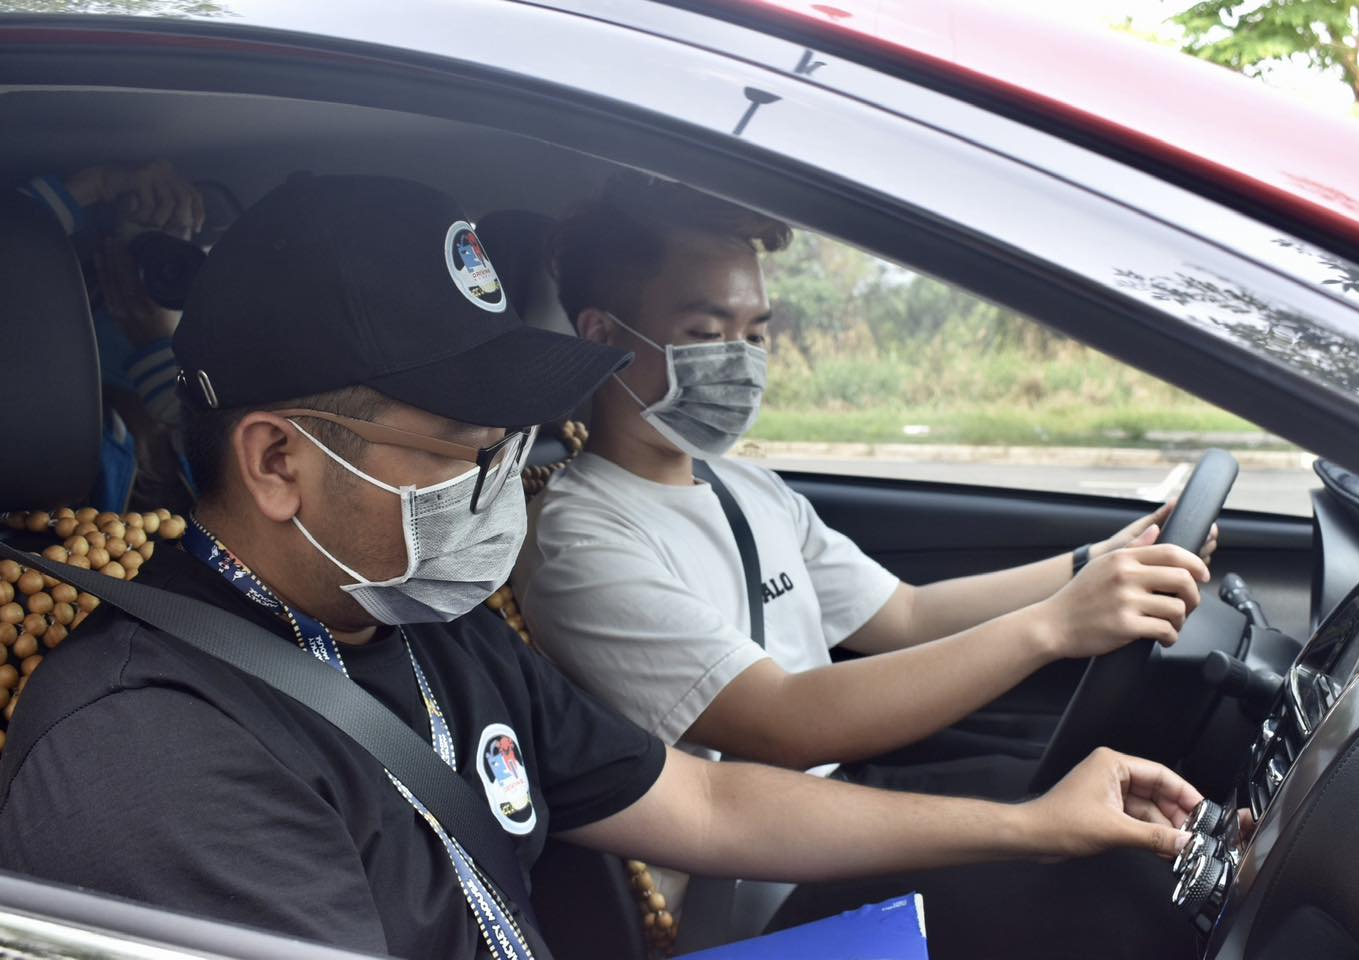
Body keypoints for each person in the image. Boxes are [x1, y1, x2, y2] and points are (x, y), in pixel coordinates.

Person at [0, 174, 1202, 960]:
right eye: (466, 451)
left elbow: (711, 801)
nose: (507, 486)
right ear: (278, 462)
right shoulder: (149, 751)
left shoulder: (432, 631)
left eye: (514, 444)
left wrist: (1032, 827)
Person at [511, 172, 1218, 942]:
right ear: (603, 336)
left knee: (1124, 819)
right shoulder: (580, 540)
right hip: (754, 885)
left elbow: (905, 614)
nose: (740, 361)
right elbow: (783, 722)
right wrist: (1055, 627)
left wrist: (1095, 563)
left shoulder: (746, 486)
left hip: (834, 806)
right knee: (1121, 897)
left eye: (755, 334)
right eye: (707, 333)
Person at [19, 160, 210, 511]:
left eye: (177, 257)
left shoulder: (213, 412)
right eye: (138, 256)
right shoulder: (46, 424)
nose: (162, 272)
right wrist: (95, 185)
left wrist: (159, 349)